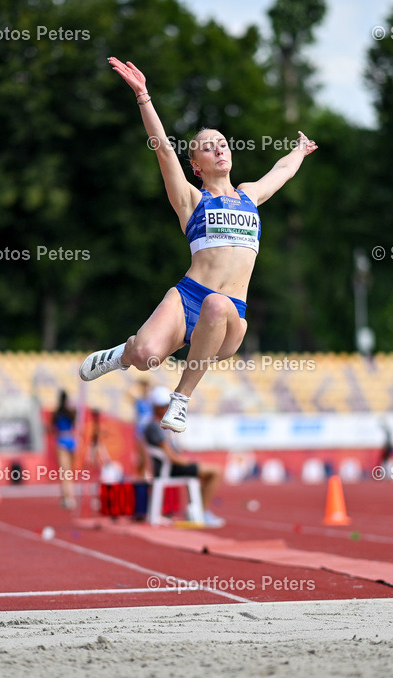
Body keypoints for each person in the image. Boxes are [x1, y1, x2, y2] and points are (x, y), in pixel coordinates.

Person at [80, 57, 318, 433]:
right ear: (196, 166)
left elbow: (283, 171)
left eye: (223, 144)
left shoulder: (250, 197)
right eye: (208, 148)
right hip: (187, 296)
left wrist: (299, 151)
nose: (220, 150)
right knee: (146, 355)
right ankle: (120, 354)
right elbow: (162, 150)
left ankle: (181, 399)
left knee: (217, 302)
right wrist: (144, 96)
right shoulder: (191, 200)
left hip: (229, 316)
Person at [143, 386, 224, 527]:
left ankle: (196, 510)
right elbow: (171, 456)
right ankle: (201, 513)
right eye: (164, 406)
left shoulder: (156, 424)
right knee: (215, 472)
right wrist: (187, 462)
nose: (166, 409)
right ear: (157, 408)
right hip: (171, 468)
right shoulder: (154, 426)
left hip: (172, 466)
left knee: (206, 472)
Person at [50, 390, 77, 510]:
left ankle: (68, 497)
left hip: (62, 440)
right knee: (69, 472)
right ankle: (68, 496)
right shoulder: (70, 412)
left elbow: (52, 427)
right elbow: (75, 421)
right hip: (71, 440)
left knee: (64, 472)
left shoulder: (57, 413)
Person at [129, 379, 153, 478]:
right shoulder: (138, 401)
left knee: (149, 457)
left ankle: (147, 476)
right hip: (140, 433)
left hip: (149, 433)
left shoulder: (151, 402)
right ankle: (141, 476)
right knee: (141, 458)